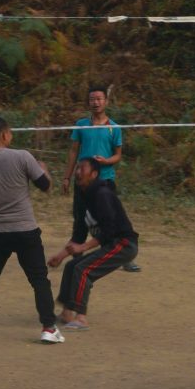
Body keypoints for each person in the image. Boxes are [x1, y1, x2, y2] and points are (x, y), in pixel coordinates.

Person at [0, 117, 65, 344]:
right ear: (5, 135)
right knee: (39, 279)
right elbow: (46, 186)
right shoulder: (22, 157)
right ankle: (48, 328)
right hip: (25, 229)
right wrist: (44, 170)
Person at [49, 157, 139, 330]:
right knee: (71, 266)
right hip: (111, 243)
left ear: (94, 174)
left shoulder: (102, 194)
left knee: (83, 270)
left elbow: (110, 230)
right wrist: (61, 256)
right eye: (76, 169)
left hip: (124, 244)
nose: (77, 172)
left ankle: (81, 318)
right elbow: (79, 234)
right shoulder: (83, 198)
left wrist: (83, 247)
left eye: (82, 169)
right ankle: (67, 313)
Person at [62, 84, 140, 272]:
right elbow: (73, 151)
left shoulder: (114, 128)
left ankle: (123, 257)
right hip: (82, 182)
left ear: (106, 101)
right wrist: (67, 177)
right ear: (88, 102)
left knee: (110, 219)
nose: (95, 102)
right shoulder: (81, 125)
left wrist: (106, 161)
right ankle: (77, 255)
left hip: (105, 181)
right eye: (92, 99)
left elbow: (118, 155)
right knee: (80, 218)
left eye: (99, 99)